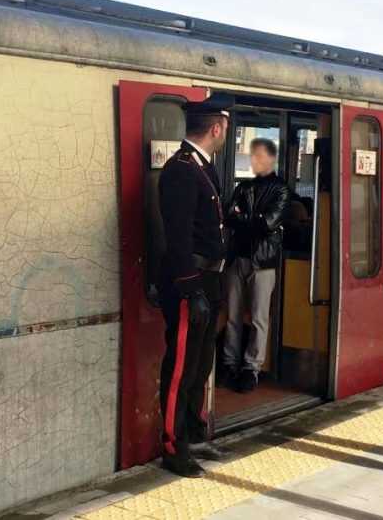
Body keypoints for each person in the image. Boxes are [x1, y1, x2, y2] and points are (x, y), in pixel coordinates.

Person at [157, 93, 233, 478]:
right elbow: (178, 237)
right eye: (226, 126)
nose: (225, 132)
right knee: (181, 367)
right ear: (217, 127)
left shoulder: (202, 167)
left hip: (211, 278)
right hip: (193, 282)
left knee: (202, 363)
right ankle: (174, 447)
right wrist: (190, 289)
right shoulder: (182, 169)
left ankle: (193, 430)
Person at [221, 138, 289, 392]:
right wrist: (248, 219)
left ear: (271, 159)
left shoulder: (281, 190)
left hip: (264, 262)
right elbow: (228, 216)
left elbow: (267, 223)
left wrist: (244, 219)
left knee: (260, 317)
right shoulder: (244, 186)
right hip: (238, 258)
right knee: (232, 315)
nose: (254, 161)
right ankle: (229, 363)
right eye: (253, 156)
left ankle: (252, 368)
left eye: (260, 157)